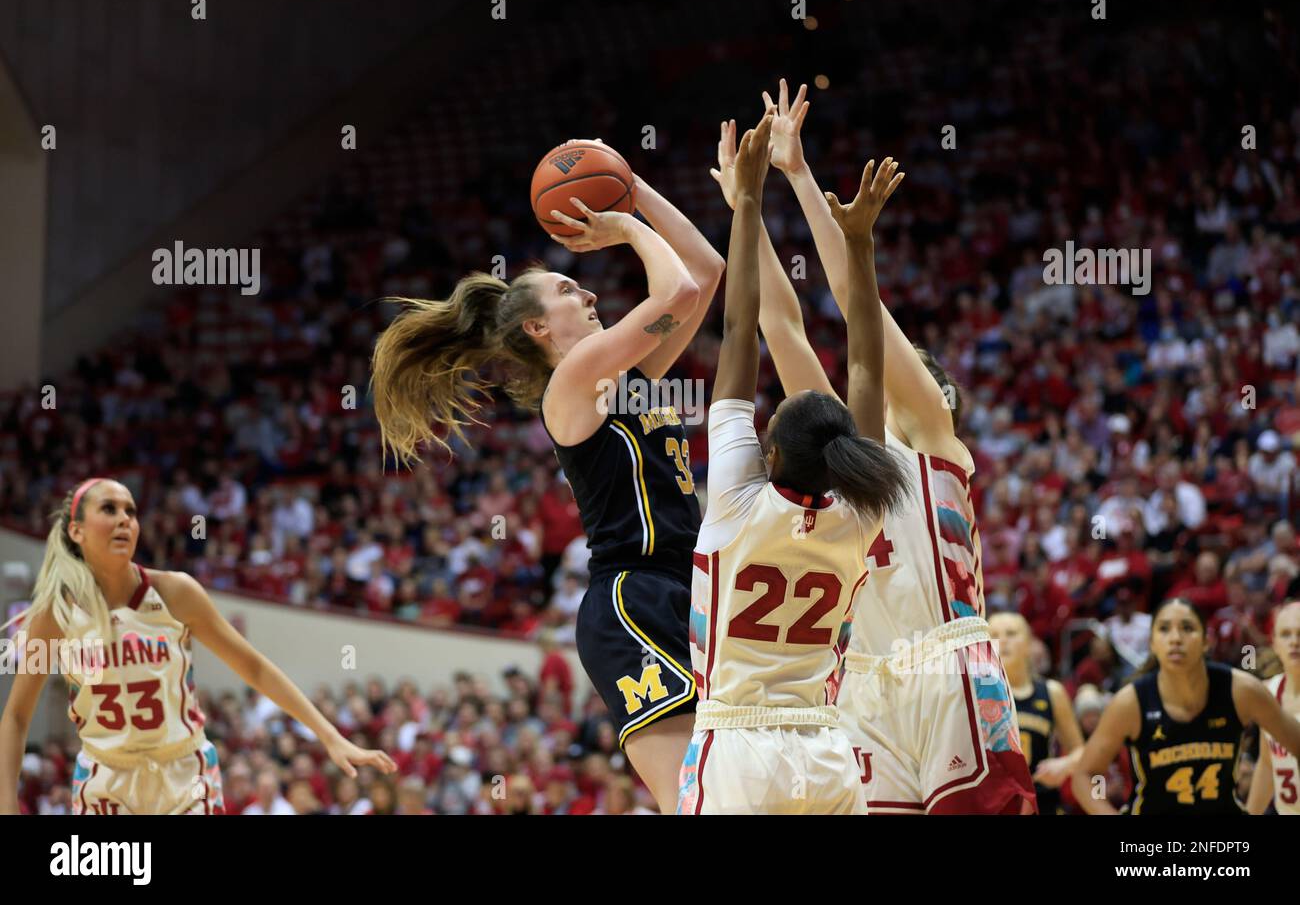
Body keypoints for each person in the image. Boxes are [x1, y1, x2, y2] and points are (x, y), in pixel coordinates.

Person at [370, 161, 724, 813]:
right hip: (633, 598)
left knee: (733, 788)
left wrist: (636, 189)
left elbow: (703, 274)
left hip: (693, 589)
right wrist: (623, 226)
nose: (587, 293)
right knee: (698, 800)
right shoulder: (574, 381)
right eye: (569, 288)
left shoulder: (635, 370)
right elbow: (673, 291)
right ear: (537, 327)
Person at [729, 79, 1034, 813]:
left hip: (950, 669)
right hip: (860, 684)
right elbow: (782, 328)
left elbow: (861, 307)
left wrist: (799, 178)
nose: (900, 371)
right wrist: (745, 204)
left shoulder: (934, 436)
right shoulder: (847, 444)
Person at [677, 116, 907, 814]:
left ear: (767, 451)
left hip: (737, 749)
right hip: (826, 749)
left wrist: (745, 201)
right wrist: (861, 243)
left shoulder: (737, 505)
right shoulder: (862, 509)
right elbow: (868, 363)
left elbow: (740, 326)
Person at [0, 478, 395, 815]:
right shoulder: (55, 614)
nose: (124, 519)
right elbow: (16, 717)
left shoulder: (175, 592)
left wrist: (330, 736)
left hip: (184, 773)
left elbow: (254, 668)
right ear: (77, 531)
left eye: (131, 511)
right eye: (109, 509)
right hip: (105, 778)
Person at [1069, 597, 1300, 814]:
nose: (1175, 638)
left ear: (1206, 641)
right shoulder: (1131, 702)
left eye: (1187, 628)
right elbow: (1087, 775)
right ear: (1152, 643)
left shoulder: (1241, 690)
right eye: (1164, 629)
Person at [988, 612, 1085, 815]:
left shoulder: (1052, 692)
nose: (1003, 640)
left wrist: (1065, 764)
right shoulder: (974, 694)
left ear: (1030, 644)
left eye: (1011, 633)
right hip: (994, 804)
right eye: (994, 634)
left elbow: (1081, 752)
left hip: (1043, 802)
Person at [1247, 600, 1300, 814]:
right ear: (1275, 643)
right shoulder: (1269, 692)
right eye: (1286, 634)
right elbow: (1268, 764)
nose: (1294, 642)